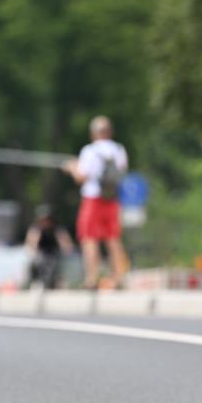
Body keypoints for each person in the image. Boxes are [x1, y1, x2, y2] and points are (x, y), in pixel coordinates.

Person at [63, 116, 129, 289]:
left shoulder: (90, 151)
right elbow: (121, 172)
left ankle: (92, 278)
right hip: (112, 199)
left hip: (92, 199)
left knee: (89, 238)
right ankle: (119, 277)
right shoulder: (119, 150)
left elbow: (81, 177)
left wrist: (72, 167)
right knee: (113, 239)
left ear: (94, 133)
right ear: (110, 132)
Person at [25, 205, 74, 289]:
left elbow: (67, 244)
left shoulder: (57, 229)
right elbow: (30, 243)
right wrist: (34, 244)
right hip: (41, 253)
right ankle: (35, 281)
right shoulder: (36, 229)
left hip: (54, 253)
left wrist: (65, 248)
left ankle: (58, 281)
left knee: (57, 264)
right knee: (34, 263)